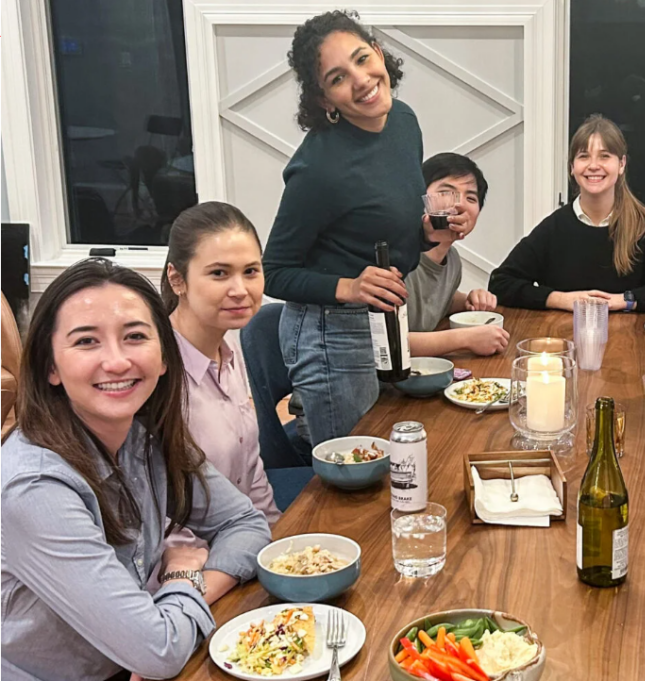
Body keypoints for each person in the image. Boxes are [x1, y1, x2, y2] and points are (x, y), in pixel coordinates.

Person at [0, 259, 271, 680]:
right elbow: (158, 652)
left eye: (135, 337)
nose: (117, 361)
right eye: (87, 341)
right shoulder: (33, 488)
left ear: (164, 357)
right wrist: (181, 576)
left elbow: (246, 522)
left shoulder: (144, 435)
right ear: (50, 366)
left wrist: (193, 586)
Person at [262, 10, 468, 443]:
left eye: (361, 58)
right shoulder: (318, 167)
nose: (360, 80)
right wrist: (349, 287)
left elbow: (382, 230)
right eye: (337, 78)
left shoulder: (404, 122)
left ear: (378, 53)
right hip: (328, 332)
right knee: (357, 465)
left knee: (392, 453)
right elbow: (274, 271)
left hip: (386, 316)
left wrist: (428, 232)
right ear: (323, 100)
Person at [488, 114, 645, 313]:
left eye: (604, 156)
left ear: (622, 164)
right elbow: (501, 283)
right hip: (564, 339)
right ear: (572, 167)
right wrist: (561, 299)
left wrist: (626, 300)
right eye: (584, 156)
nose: (593, 165)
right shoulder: (553, 229)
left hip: (633, 339)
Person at [162, 201, 281, 530]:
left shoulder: (230, 348)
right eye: (219, 273)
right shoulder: (155, 372)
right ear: (177, 279)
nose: (240, 290)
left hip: (246, 537)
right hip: (195, 564)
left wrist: (278, 537)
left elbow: (251, 470)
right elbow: (154, 513)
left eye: (250, 271)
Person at [407, 152, 509, 357]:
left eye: (471, 197)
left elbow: (431, 301)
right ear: (421, 197)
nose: (459, 204)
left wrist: (467, 300)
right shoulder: (400, 257)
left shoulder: (452, 260)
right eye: (446, 193)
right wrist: (466, 338)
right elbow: (385, 343)